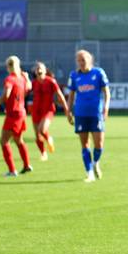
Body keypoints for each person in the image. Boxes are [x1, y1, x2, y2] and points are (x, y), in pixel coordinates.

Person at [67, 50, 110, 183]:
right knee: (84, 144)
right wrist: (69, 111)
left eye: (83, 60)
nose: (81, 63)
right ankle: (89, 172)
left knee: (99, 144)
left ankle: (96, 161)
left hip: (96, 114)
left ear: (90, 60)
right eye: (79, 60)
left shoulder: (98, 73)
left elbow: (106, 92)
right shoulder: (74, 75)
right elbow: (71, 95)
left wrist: (106, 107)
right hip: (80, 113)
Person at [0, 55, 33, 177]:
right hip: (21, 113)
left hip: (13, 114)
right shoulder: (21, 78)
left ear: (8, 66)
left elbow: (7, 94)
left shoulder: (10, 79)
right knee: (18, 140)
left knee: (4, 141)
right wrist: (27, 78)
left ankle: (12, 170)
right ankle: (26, 166)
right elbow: (29, 88)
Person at [31, 61, 73, 161]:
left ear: (45, 70)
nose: (39, 70)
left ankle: (49, 138)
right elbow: (23, 91)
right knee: (37, 135)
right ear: (35, 72)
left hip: (48, 110)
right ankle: (43, 153)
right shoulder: (33, 83)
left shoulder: (51, 82)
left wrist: (67, 110)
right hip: (36, 111)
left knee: (42, 130)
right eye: (37, 68)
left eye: (41, 68)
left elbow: (60, 96)